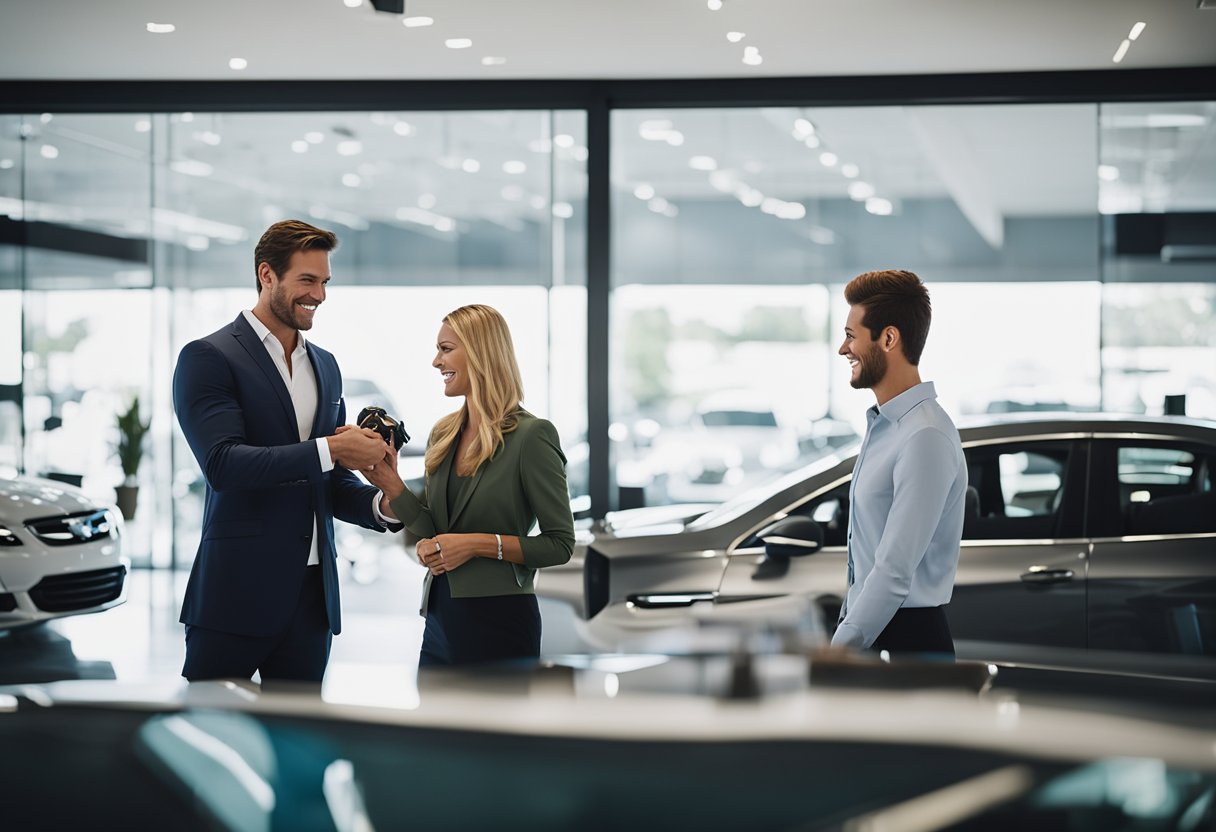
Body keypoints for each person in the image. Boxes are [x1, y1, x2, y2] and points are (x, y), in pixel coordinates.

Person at [173, 219, 400, 685]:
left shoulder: (326, 366)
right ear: (266, 275)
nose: (319, 294)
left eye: (324, 282)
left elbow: (327, 479)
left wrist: (383, 502)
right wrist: (331, 448)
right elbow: (223, 465)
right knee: (210, 738)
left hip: (312, 600)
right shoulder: (208, 357)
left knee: (300, 749)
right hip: (235, 597)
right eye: (307, 280)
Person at [364, 304, 575, 666]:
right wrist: (390, 483)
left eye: (446, 349)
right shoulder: (443, 433)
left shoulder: (532, 436)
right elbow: (434, 528)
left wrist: (477, 545)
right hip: (440, 617)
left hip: (501, 619)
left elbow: (560, 544)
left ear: (479, 353)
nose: (435, 361)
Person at [829, 269, 967, 658]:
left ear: (888, 338)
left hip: (907, 644)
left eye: (852, 336)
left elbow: (893, 572)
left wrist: (839, 650)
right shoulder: (888, 427)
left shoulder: (924, 436)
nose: (843, 349)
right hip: (876, 635)